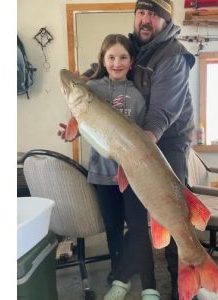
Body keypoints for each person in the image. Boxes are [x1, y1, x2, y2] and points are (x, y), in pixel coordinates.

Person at [82, 1, 196, 299]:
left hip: (166, 140)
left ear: (165, 21)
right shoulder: (133, 45)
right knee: (135, 218)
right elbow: (103, 67)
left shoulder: (174, 56)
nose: (145, 20)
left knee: (172, 212)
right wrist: (85, 84)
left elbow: (161, 114)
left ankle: (182, 281)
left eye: (154, 15)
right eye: (141, 13)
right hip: (135, 143)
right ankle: (124, 273)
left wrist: (136, 146)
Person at [59, 34, 160, 300]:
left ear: (131, 61)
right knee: (113, 230)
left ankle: (150, 284)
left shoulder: (138, 97)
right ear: (103, 60)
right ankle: (119, 280)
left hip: (134, 176)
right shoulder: (92, 88)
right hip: (102, 175)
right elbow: (83, 124)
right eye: (111, 57)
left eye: (123, 57)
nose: (117, 62)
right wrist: (72, 133)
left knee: (139, 229)